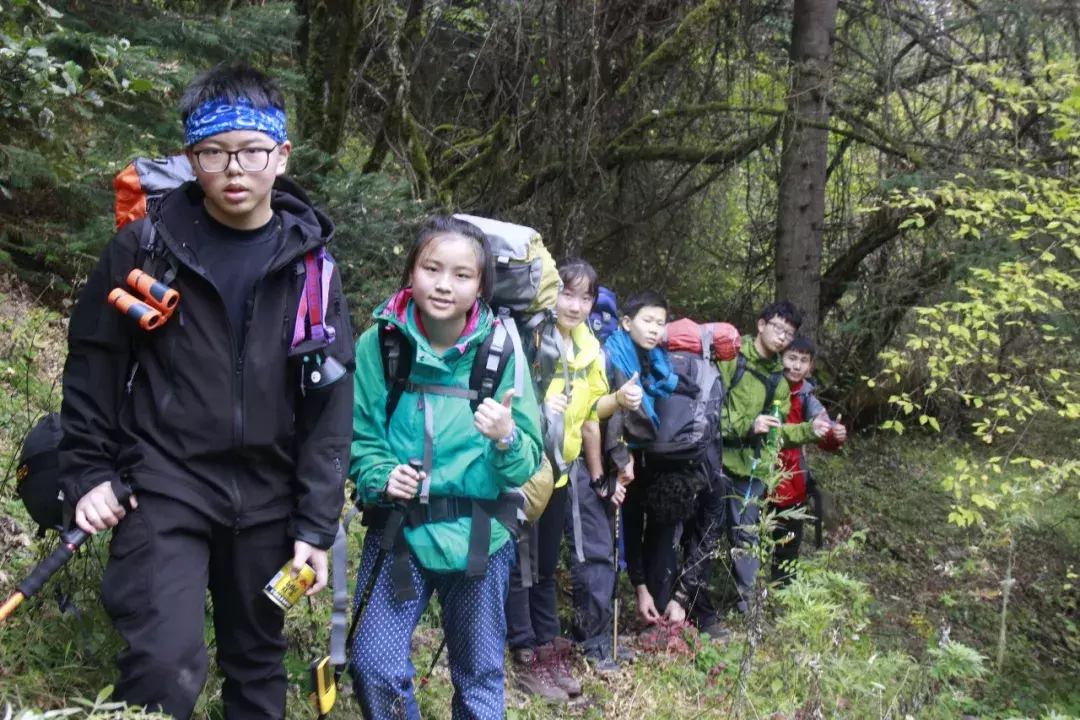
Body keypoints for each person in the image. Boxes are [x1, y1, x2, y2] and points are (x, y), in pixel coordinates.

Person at [57, 65, 355, 719]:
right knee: (163, 665)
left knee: (257, 664)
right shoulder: (146, 246)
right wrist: (88, 473)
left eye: (250, 150)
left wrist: (315, 523)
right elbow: (92, 368)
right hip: (164, 484)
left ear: (280, 156)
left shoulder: (313, 266)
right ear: (192, 158)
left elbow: (330, 405)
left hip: (271, 497)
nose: (233, 169)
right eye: (213, 152)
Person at [349, 215, 544, 720]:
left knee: (479, 678)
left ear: (481, 284)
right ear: (411, 271)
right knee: (373, 665)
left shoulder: (501, 349)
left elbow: (526, 461)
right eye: (431, 268)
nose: (443, 284)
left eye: (462, 274)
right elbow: (360, 436)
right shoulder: (380, 345)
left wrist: (505, 437)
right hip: (400, 532)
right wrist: (381, 476)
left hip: (482, 535)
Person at [505, 258, 642, 701]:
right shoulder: (533, 338)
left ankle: (548, 649)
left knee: (544, 568)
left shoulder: (588, 348)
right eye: (568, 293)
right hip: (525, 471)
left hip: (559, 476)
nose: (577, 305)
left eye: (586, 297)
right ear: (552, 294)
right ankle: (524, 652)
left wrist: (617, 399)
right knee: (519, 569)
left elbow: (590, 413)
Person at [718, 301, 829, 613]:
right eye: (777, 328)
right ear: (761, 324)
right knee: (702, 534)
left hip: (750, 472)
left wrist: (809, 430)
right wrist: (747, 427)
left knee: (746, 540)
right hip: (715, 462)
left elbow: (776, 434)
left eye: (788, 333)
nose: (782, 336)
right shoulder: (731, 358)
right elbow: (709, 413)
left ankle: (747, 607)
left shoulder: (778, 381)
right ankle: (691, 603)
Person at [600, 291, 688, 630]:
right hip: (615, 454)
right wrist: (622, 457)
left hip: (643, 452)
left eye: (660, 323)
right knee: (617, 530)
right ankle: (611, 616)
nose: (654, 329)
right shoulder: (614, 356)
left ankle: (645, 603)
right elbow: (611, 413)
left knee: (641, 526)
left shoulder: (654, 358)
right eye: (647, 321)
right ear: (626, 322)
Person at [771, 335, 848, 584]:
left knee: (789, 543)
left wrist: (835, 435)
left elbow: (823, 429)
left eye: (803, 361)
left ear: (810, 366)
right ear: (780, 357)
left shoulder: (807, 396)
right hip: (763, 476)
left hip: (793, 481)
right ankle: (753, 597)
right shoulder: (768, 385)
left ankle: (784, 592)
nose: (796, 366)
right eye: (791, 358)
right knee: (755, 540)